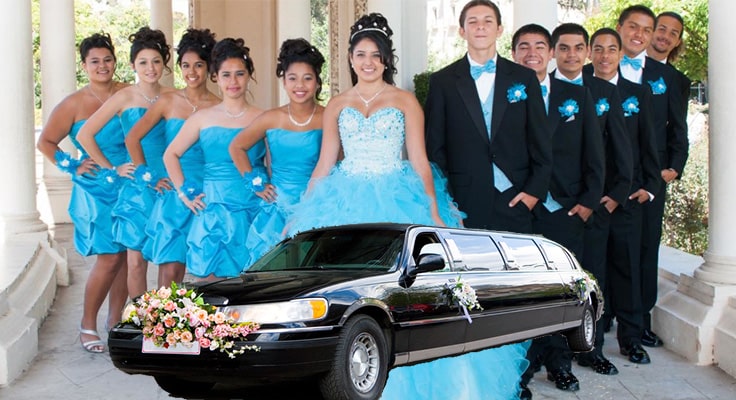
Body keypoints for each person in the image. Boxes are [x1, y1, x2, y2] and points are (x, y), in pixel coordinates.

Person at [285, 12, 527, 400]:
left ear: (385, 60)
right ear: (350, 58)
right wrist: (302, 214)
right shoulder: (337, 104)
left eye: (376, 55)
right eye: (361, 54)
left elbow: (419, 160)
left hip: (397, 196)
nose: (368, 62)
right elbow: (324, 164)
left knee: (402, 292)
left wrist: (432, 211)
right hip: (345, 201)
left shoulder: (404, 100)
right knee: (343, 293)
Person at [512, 23, 605, 396]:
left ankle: (560, 363)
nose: (532, 53)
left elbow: (595, 156)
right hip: (520, 209)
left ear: (550, 53)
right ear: (514, 53)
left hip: (565, 210)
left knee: (565, 291)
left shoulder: (575, 96)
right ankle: (524, 365)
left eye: (540, 46)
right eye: (523, 47)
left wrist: (586, 204)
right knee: (524, 291)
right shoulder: (508, 95)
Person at [36, 33, 129, 353]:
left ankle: (115, 321)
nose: (102, 66)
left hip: (129, 182)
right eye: (95, 61)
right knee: (109, 256)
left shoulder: (127, 93)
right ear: (84, 65)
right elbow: (45, 142)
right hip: (97, 187)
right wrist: (71, 166)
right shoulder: (74, 103)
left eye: (107, 59)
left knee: (126, 254)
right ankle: (87, 324)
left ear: (115, 61)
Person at [425, 0, 551, 234]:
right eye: (473, 22)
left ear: (500, 29)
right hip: (463, 201)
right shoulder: (443, 81)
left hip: (516, 197)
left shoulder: (525, 78)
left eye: (487, 21)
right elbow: (435, 147)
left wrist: (533, 193)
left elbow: (541, 141)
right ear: (462, 31)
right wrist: (447, 200)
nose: (480, 27)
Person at [551, 22, 633, 376]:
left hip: (592, 206)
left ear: (585, 52)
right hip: (549, 206)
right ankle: (553, 357)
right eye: (563, 48)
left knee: (591, 283)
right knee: (553, 286)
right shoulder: (536, 88)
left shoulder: (602, 92)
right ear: (555, 51)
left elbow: (617, 149)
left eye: (577, 48)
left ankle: (591, 348)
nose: (571, 55)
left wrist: (610, 197)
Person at [77, 26, 176, 298]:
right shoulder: (124, 97)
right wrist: (112, 168)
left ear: (164, 64)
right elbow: (86, 135)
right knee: (135, 261)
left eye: (156, 61)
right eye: (143, 62)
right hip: (137, 183)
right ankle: (141, 324)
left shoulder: (173, 96)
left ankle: (166, 323)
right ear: (133, 64)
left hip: (168, 181)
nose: (150, 68)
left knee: (168, 259)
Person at [585, 26, 662, 369]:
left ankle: (631, 338)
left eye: (611, 49)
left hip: (629, 198)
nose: (604, 56)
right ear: (590, 52)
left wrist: (647, 186)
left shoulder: (637, 93)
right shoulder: (578, 89)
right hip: (591, 201)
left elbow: (649, 143)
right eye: (598, 49)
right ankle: (592, 342)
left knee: (628, 270)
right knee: (594, 274)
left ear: (620, 54)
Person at [616, 4, 688, 349]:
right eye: (661, 27)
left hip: (649, 179)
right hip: (606, 177)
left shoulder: (674, 81)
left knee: (644, 252)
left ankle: (639, 322)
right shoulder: (608, 66)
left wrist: (670, 170)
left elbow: (678, 131)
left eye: (673, 33)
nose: (663, 35)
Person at [163, 37, 265, 279]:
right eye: (226, 74)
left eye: (240, 73)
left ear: (249, 75)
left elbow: (273, 163)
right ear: (216, 77)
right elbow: (171, 154)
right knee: (212, 288)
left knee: (252, 284)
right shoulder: (202, 118)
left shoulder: (263, 117)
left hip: (253, 208)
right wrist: (184, 192)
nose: (233, 81)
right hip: (214, 209)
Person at [125, 28, 219, 288]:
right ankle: (161, 327)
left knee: (207, 269)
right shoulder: (169, 101)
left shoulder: (218, 105)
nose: (192, 72)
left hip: (207, 190)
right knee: (170, 268)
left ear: (210, 68)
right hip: (176, 190)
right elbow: (133, 138)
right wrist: (147, 176)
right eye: (186, 65)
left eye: (199, 65)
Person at [229, 38, 325, 267]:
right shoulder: (272, 118)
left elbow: (337, 161)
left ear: (318, 82)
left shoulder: (327, 116)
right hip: (277, 203)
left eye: (307, 78)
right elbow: (236, 147)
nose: (299, 85)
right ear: (283, 81)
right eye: (292, 78)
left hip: (316, 202)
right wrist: (255, 182)